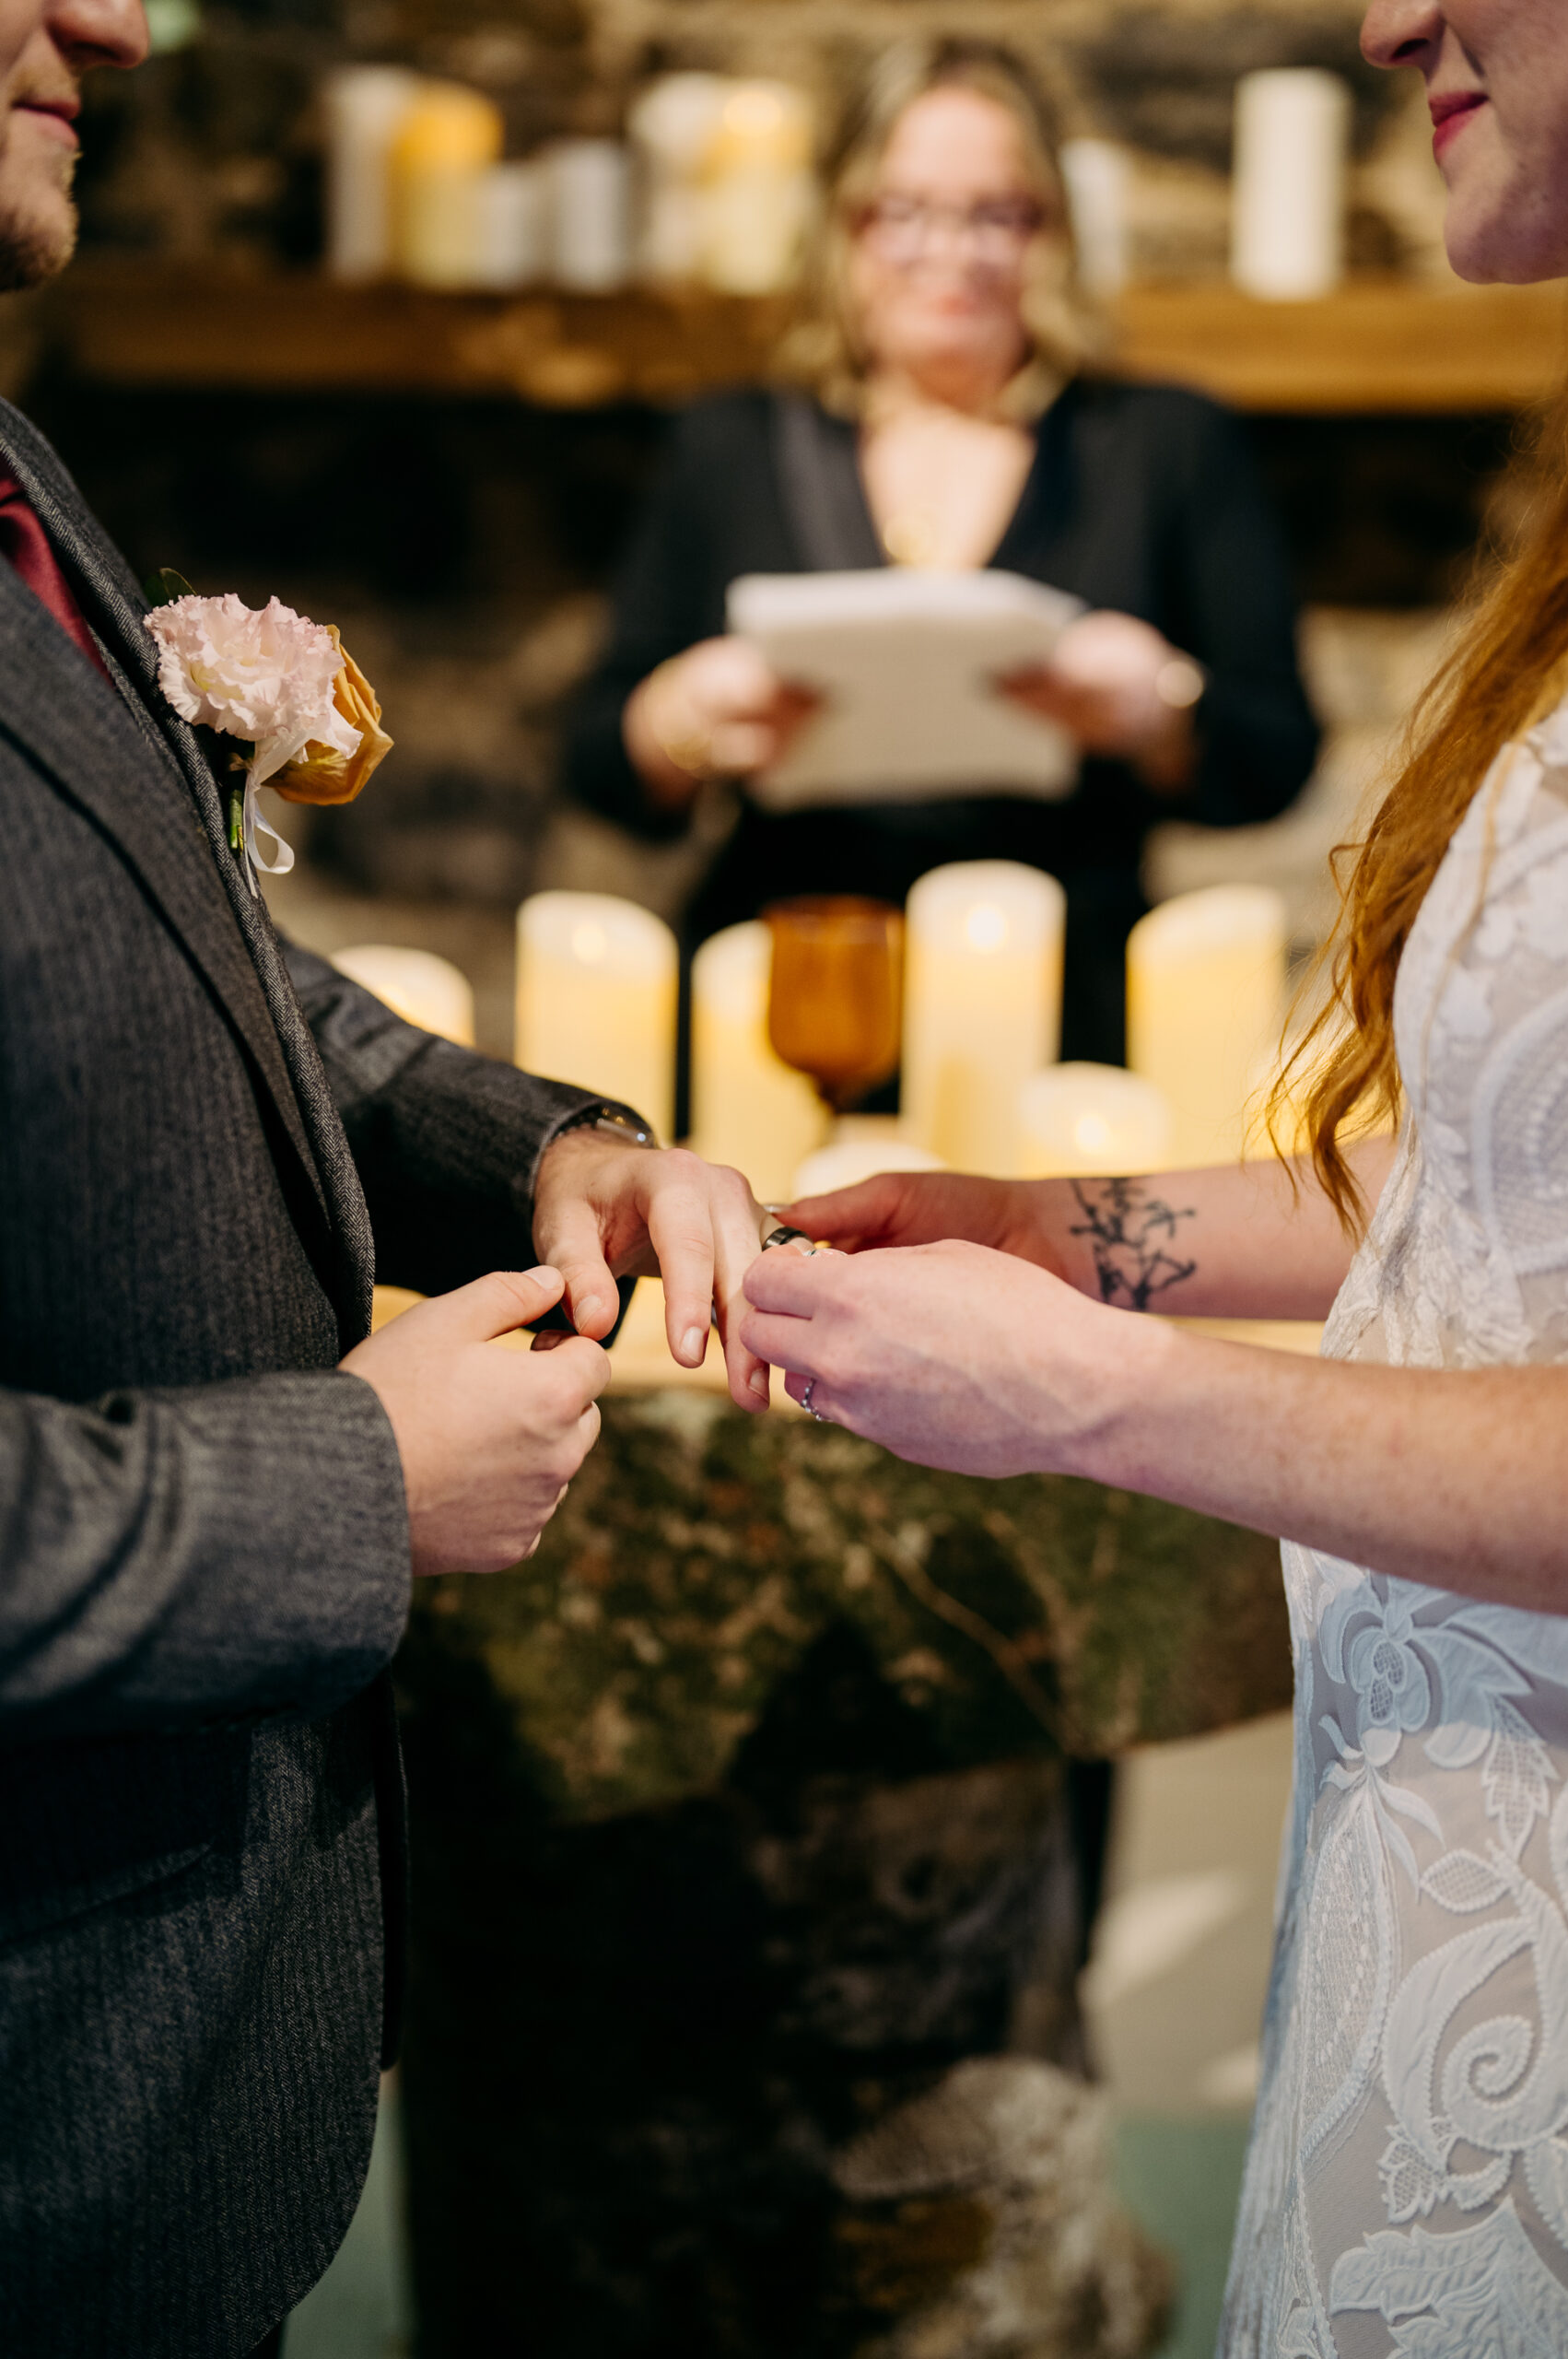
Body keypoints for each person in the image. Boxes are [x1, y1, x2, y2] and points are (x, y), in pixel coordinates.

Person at [743, 0, 1568, 2345]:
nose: (1375, 12)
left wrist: (1089, 1390)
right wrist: (1061, 1230)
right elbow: (1515, 1174)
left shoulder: (1147, 447)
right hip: (1453, 1823)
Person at [0, 1, 774, 2349]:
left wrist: (558, 1145)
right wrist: (352, 1480)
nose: (113, 19)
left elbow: (224, 986)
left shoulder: (19, 465)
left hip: (165, 2088)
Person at [565, 37, 1318, 1075]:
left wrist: (1164, 708)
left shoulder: (1159, 441)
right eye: (901, 210)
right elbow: (598, 758)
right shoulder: (730, 443)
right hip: (783, 999)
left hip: (1067, 1013)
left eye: (995, 214)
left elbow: (1276, 749)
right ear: (842, 227)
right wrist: (680, 716)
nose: (950, 251)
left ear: (1049, 229)